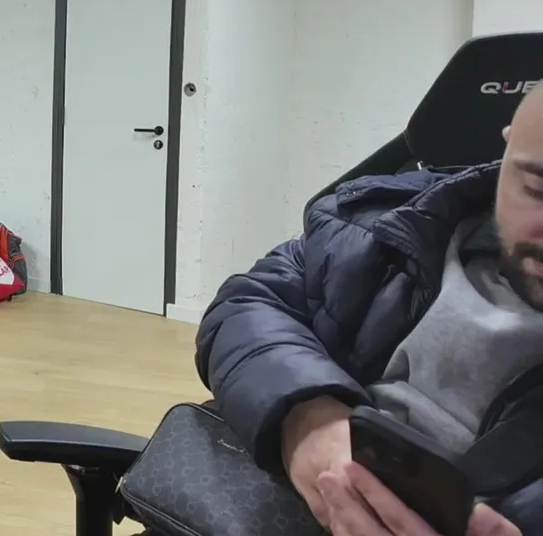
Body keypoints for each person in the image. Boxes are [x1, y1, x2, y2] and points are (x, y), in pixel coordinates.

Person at [195, 86, 543, 536]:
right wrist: (307, 419)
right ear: (507, 146)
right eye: (537, 189)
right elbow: (250, 301)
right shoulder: (392, 222)